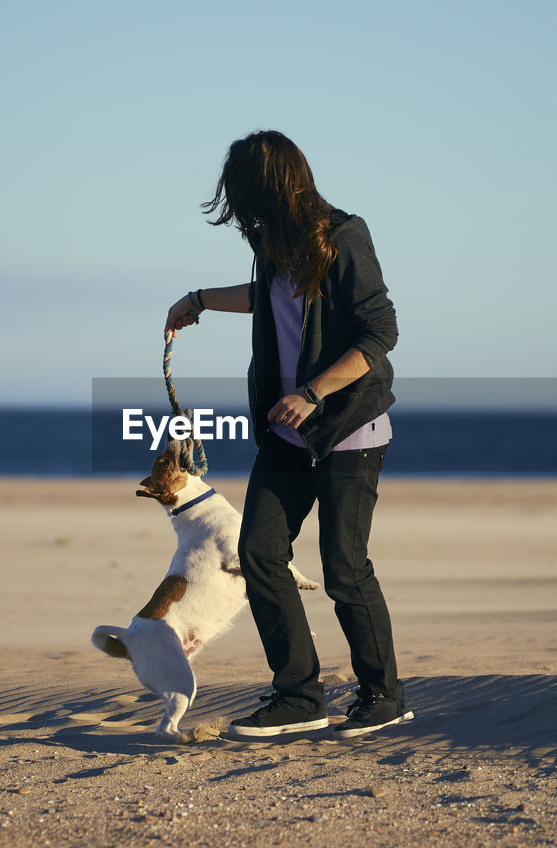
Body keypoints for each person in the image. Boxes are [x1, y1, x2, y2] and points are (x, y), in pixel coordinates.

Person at [163, 130, 412, 739]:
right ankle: (300, 696)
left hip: (348, 429)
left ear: (276, 187)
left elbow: (380, 333)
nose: (242, 211)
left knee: (344, 567)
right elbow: (269, 298)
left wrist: (313, 392)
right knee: (259, 552)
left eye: (248, 196)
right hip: (284, 435)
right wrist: (198, 300)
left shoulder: (345, 234)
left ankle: (384, 695)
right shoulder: (270, 241)